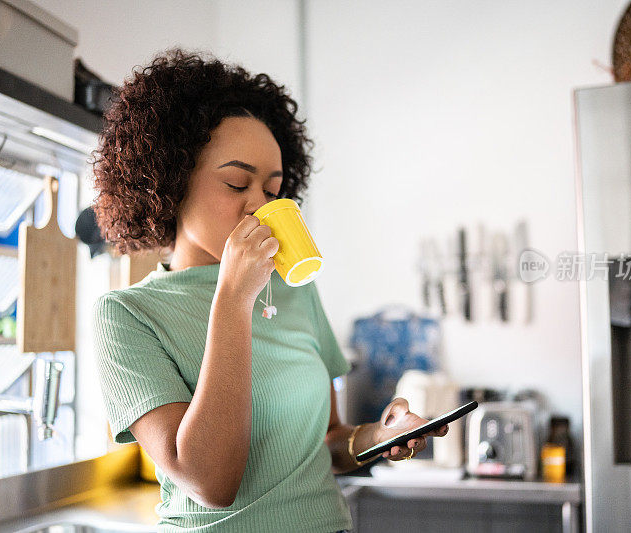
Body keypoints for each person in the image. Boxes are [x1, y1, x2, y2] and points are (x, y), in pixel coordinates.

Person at [91, 48, 449, 532]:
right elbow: (210, 483)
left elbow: (327, 442)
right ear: (170, 183)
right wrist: (233, 298)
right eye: (237, 183)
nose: (258, 206)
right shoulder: (128, 315)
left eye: (272, 189)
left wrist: (377, 436)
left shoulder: (294, 289)